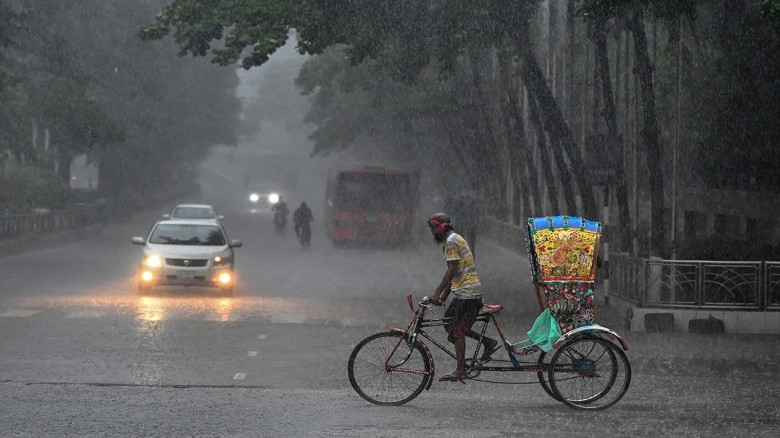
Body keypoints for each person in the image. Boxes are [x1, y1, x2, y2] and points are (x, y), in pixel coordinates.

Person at [427, 212, 498, 382]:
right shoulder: (453, 240)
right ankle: (487, 342)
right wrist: (444, 296)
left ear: (442, 228)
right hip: (463, 291)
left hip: (468, 293)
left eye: (434, 228)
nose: (432, 232)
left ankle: (460, 370)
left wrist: (437, 292)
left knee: (457, 331)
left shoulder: (452, 242)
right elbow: (457, 272)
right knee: (448, 322)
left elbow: (452, 269)